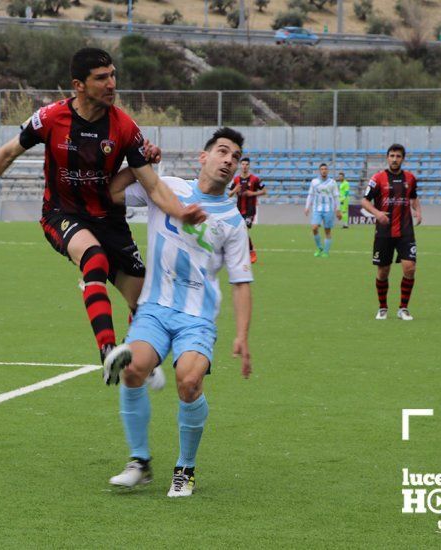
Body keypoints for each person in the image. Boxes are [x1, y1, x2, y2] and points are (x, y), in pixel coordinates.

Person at [0, 47, 205, 368]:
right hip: (61, 214)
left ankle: (132, 357)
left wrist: (181, 212)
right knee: (93, 259)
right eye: (101, 78)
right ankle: (107, 350)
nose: (112, 84)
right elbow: (7, 154)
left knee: (146, 303)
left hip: (109, 221)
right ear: (78, 85)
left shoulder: (124, 127)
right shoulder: (51, 118)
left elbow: (151, 184)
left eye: (113, 75)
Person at [104, 127, 253, 498]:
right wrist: (140, 162)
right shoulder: (167, 186)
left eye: (235, 157)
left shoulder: (233, 223)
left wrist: (242, 336)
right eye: (222, 151)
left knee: (189, 381)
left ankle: (185, 469)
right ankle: (139, 461)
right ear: (203, 157)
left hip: (197, 318)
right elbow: (114, 191)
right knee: (134, 369)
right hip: (154, 308)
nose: (228, 160)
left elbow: (241, 282)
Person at [360, 144, 422, 321]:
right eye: (392, 156)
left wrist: (418, 210)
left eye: (398, 156)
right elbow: (364, 201)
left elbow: (414, 197)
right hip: (384, 232)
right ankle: (383, 307)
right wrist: (378, 213)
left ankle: (403, 308)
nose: (395, 159)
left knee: (410, 268)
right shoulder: (378, 178)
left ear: (403, 158)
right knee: (383, 272)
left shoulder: (410, 178)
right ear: (387, 158)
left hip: (406, 231)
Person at [226, 157, 265, 263]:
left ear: (249, 166)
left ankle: (251, 252)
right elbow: (228, 194)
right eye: (243, 164)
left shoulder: (255, 179)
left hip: (250, 210)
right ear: (240, 166)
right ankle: (244, 252)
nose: (244, 166)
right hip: (238, 210)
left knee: (243, 230)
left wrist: (253, 193)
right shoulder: (236, 180)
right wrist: (235, 190)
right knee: (239, 231)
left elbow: (264, 191)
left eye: (246, 164)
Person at [303, 163, 342, 258]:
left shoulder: (332, 182)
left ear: (328, 171)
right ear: (319, 171)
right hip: (317, 208)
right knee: (314, 228)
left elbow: (336, 196)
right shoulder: (314, 182)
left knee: (327, 231)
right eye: (322, 169)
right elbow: (310, 195)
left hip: (329, 209)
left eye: (325, 169)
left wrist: (338, 210)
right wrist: (307, 206)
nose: (324, 170)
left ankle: (326, 251)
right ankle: (319, 247)